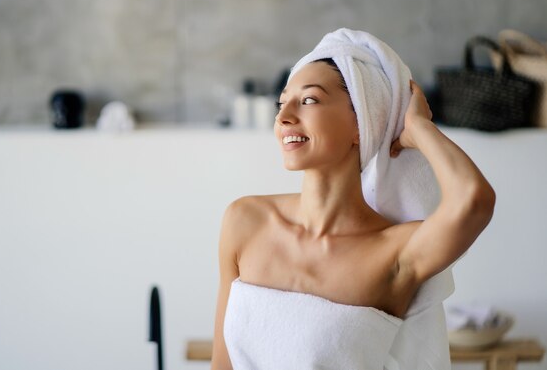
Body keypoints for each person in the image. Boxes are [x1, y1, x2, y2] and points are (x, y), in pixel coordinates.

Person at [210, 30, 496, 370]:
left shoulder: (394, 254)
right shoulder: (245, 221)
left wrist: (420, 129)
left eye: (310, 100)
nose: (283, 116)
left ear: (361, 122)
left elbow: (473, 200)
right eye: (281, 101)